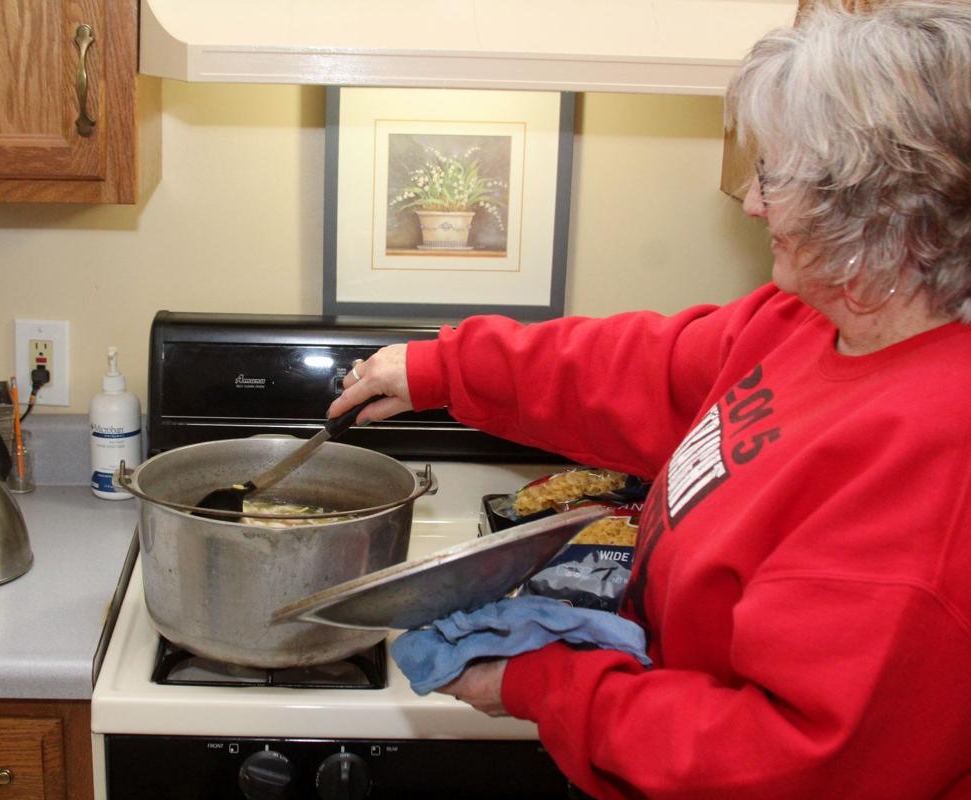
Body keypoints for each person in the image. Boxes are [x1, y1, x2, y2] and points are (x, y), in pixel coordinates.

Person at [328, 2, 971, 797]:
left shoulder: (936, 460)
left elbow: (783, 760)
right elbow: (650, 371)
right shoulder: (811, 319)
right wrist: (443, 369)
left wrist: (543, 686)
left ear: (879, 206)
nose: (753, 204)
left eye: (775, 176)